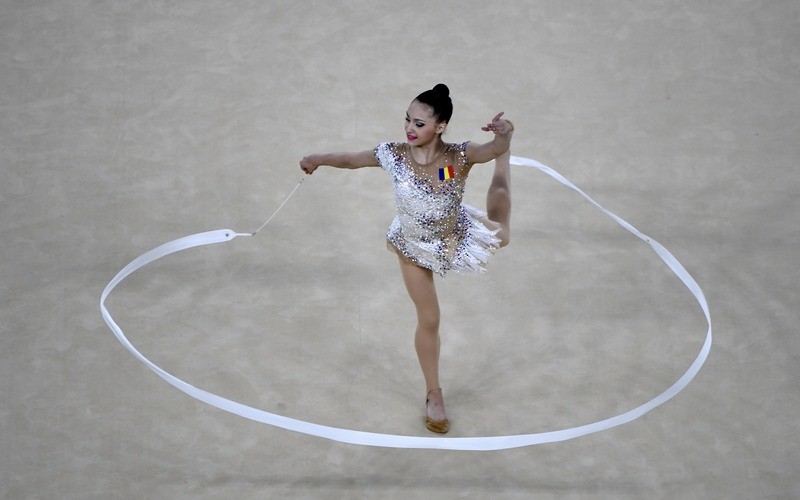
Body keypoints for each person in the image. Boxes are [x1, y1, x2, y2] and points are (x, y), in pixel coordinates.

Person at [299, 84, 513, 433]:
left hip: (451, 234)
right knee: (430, 318)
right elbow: (351, 160)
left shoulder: (459, 156)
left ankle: (505, 171)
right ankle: (434, 392)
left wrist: (503, 138)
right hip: (412, 247)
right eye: (407, 120)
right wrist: (318, 159)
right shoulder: (393, 155)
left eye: (419, 123)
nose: (409, 129)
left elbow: (492, 148)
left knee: (503, 234)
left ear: (440, 127)